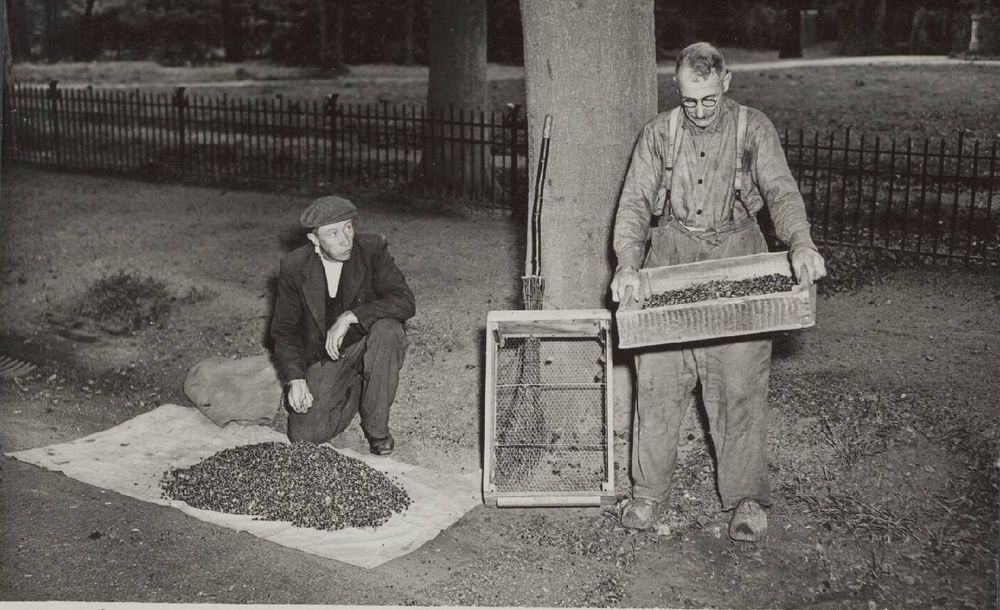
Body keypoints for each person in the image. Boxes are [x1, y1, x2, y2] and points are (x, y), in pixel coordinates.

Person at [610, 42, 827, 541]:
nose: (701, 111)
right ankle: (647, 493)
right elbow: (635, 207)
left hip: (738, 256)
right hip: (671, 254)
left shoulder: (754, 128)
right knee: (659, 383)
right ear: (677, 89)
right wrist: (627, 264)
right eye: (690, 101)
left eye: (709, 99)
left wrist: (800, 243)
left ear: (725, 83)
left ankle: (746, 498)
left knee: (739, 383)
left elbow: (781, 191)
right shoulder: (657, 135)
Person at [270, 195, 415, 455]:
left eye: (348, 227)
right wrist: (296, 378)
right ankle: (357, 386)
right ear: (314, 240)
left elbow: (405, 302)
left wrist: (351, 316)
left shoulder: (372, 249)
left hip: (369, 341)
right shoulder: (294, 266)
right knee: (305, 436)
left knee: (388, 331)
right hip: (326, 357)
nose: (345, 239)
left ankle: (376, 427)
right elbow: (285, 331)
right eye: (333, 233)